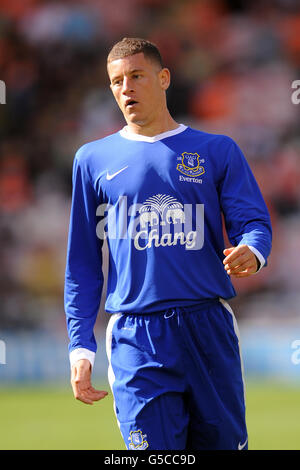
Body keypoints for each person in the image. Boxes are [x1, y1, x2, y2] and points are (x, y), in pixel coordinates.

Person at [64, 37, 272, 450]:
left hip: (208, 326)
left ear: (163, 79)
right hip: (136, 337)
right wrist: (80, 345)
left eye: (137, 76)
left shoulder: (216, 150)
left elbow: (254, 223)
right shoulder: (92, 160)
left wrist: (253, 251)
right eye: (117, 81)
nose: (126, 88)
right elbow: (83, 262)